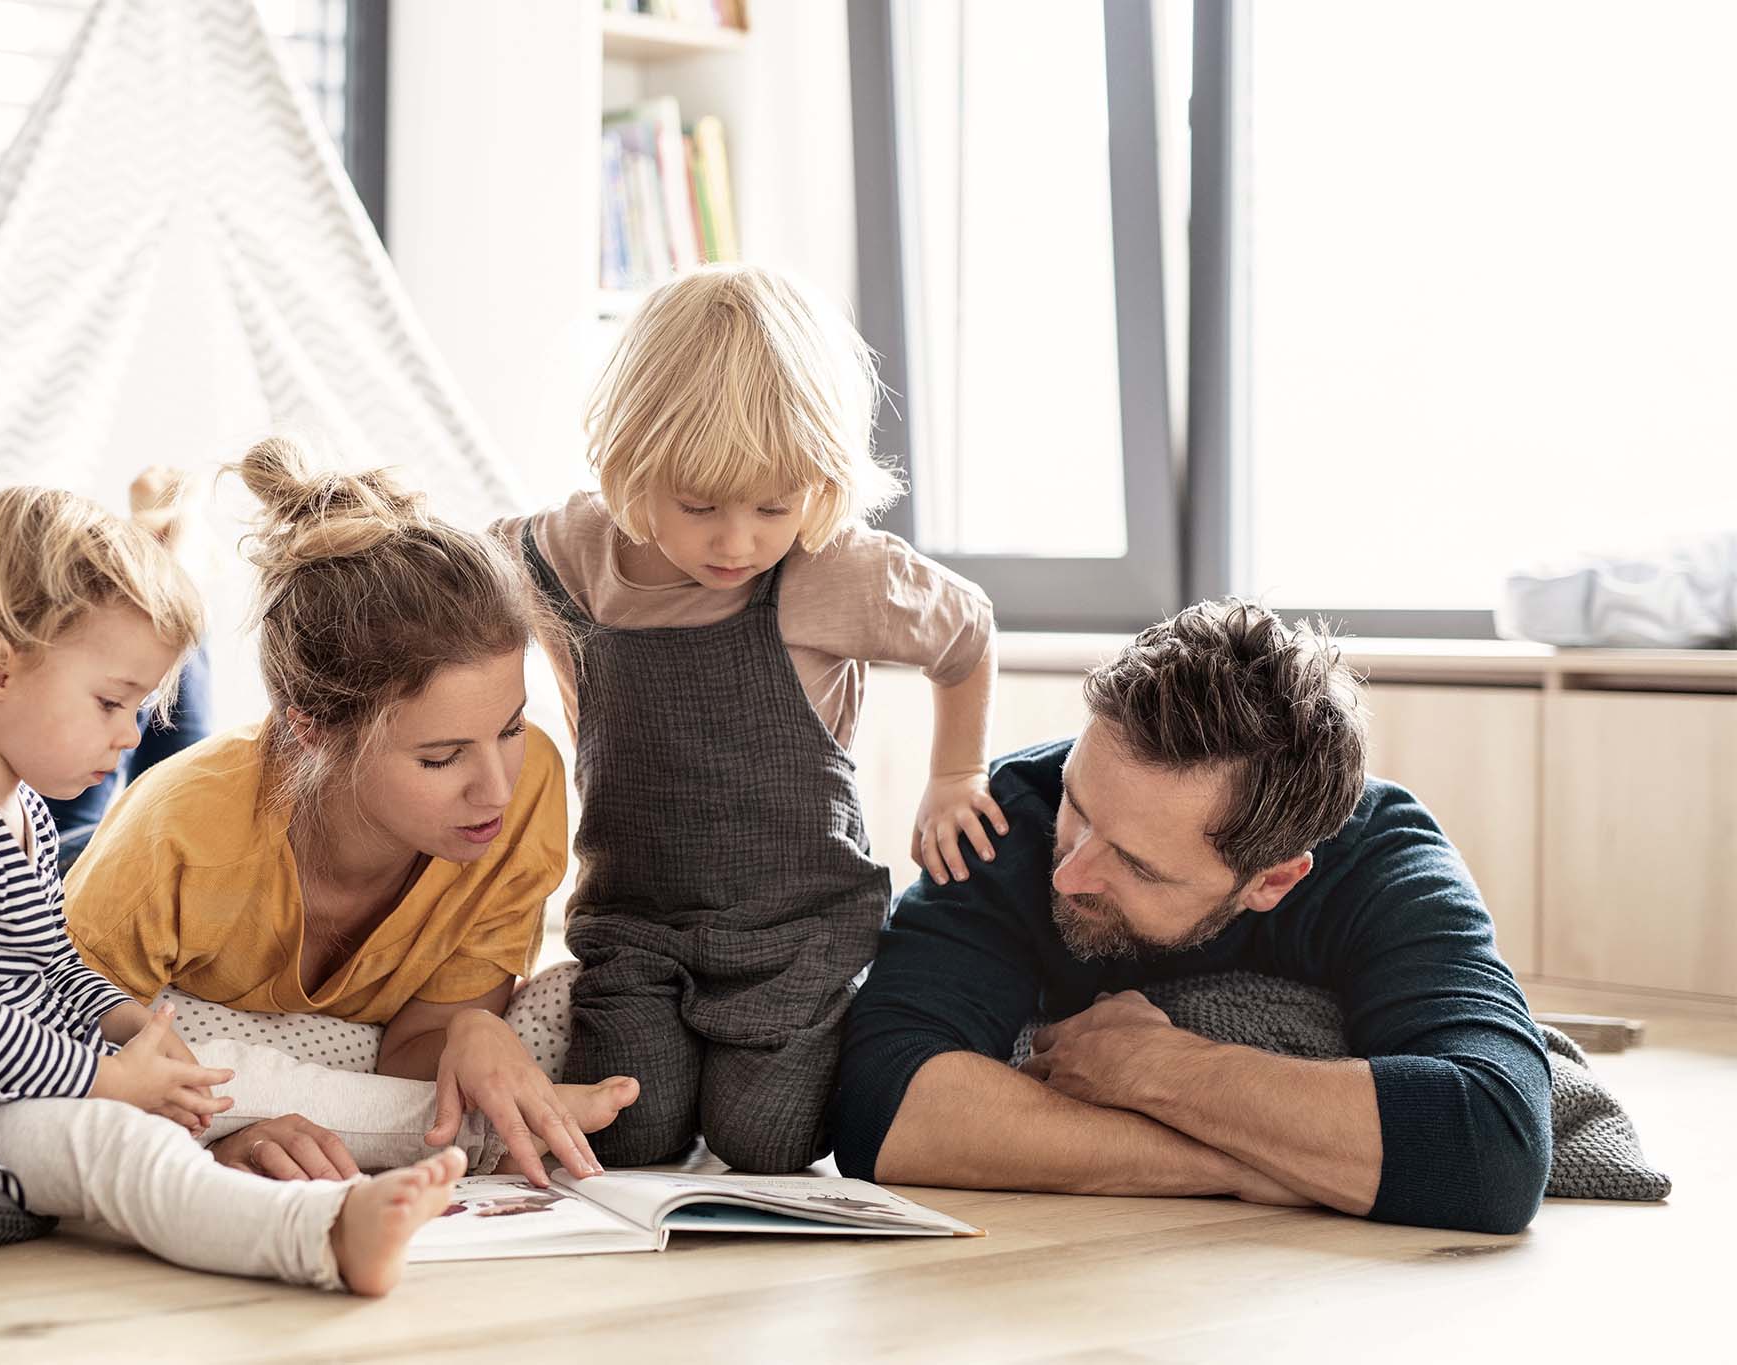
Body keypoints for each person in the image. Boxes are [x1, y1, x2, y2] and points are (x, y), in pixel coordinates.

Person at [0, 486, 461, 1296]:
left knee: (218, 1067)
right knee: (119, 1144)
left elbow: (48, 966)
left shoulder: (17, 804)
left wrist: (134, 1023)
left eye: (139, 706)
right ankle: (317, 1234)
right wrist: (107, 1081)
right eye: (112, 701)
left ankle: (476, 1130)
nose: (133, 733)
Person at [491, 264, 999, 1172]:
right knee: (631, 1136)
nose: (738, 543)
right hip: (635, 925)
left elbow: (967, 633)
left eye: (774, 505)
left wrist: (954, 773)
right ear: (632, 464)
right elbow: (452, 574)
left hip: (793, 935)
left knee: (767, 1139)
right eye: (698, 507)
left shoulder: (831, 571)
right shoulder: (569, 551)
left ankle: (847, 1014)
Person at [830, 599, 1554, 1236]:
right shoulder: (1007, 817)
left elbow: (1497, 1146)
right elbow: (880, 1104)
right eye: (1079, 808)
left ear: (1272, 880)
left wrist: (1152, 1067)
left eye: (1138, 865)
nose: (1069, 870)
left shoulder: (1385, 859)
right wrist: (1242, 1163)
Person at [65, 437, 639, 1188]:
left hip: (264, 797)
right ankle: (161, 564)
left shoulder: (523, 793)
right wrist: (209, 1147)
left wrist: (472, 1027)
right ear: (311, 725)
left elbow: (408, 1057)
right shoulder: (178, 834)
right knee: (89, 764)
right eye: (442, 758)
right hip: (102, 854)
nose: (497, 789)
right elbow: (57, 1056)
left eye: (508, 727)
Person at [46, 465, 213, 874]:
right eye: (109, 704)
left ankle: (165, 580)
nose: (131, 734)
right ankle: (167, 579)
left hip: (58, 846)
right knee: (178, 807)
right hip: (66, 857)